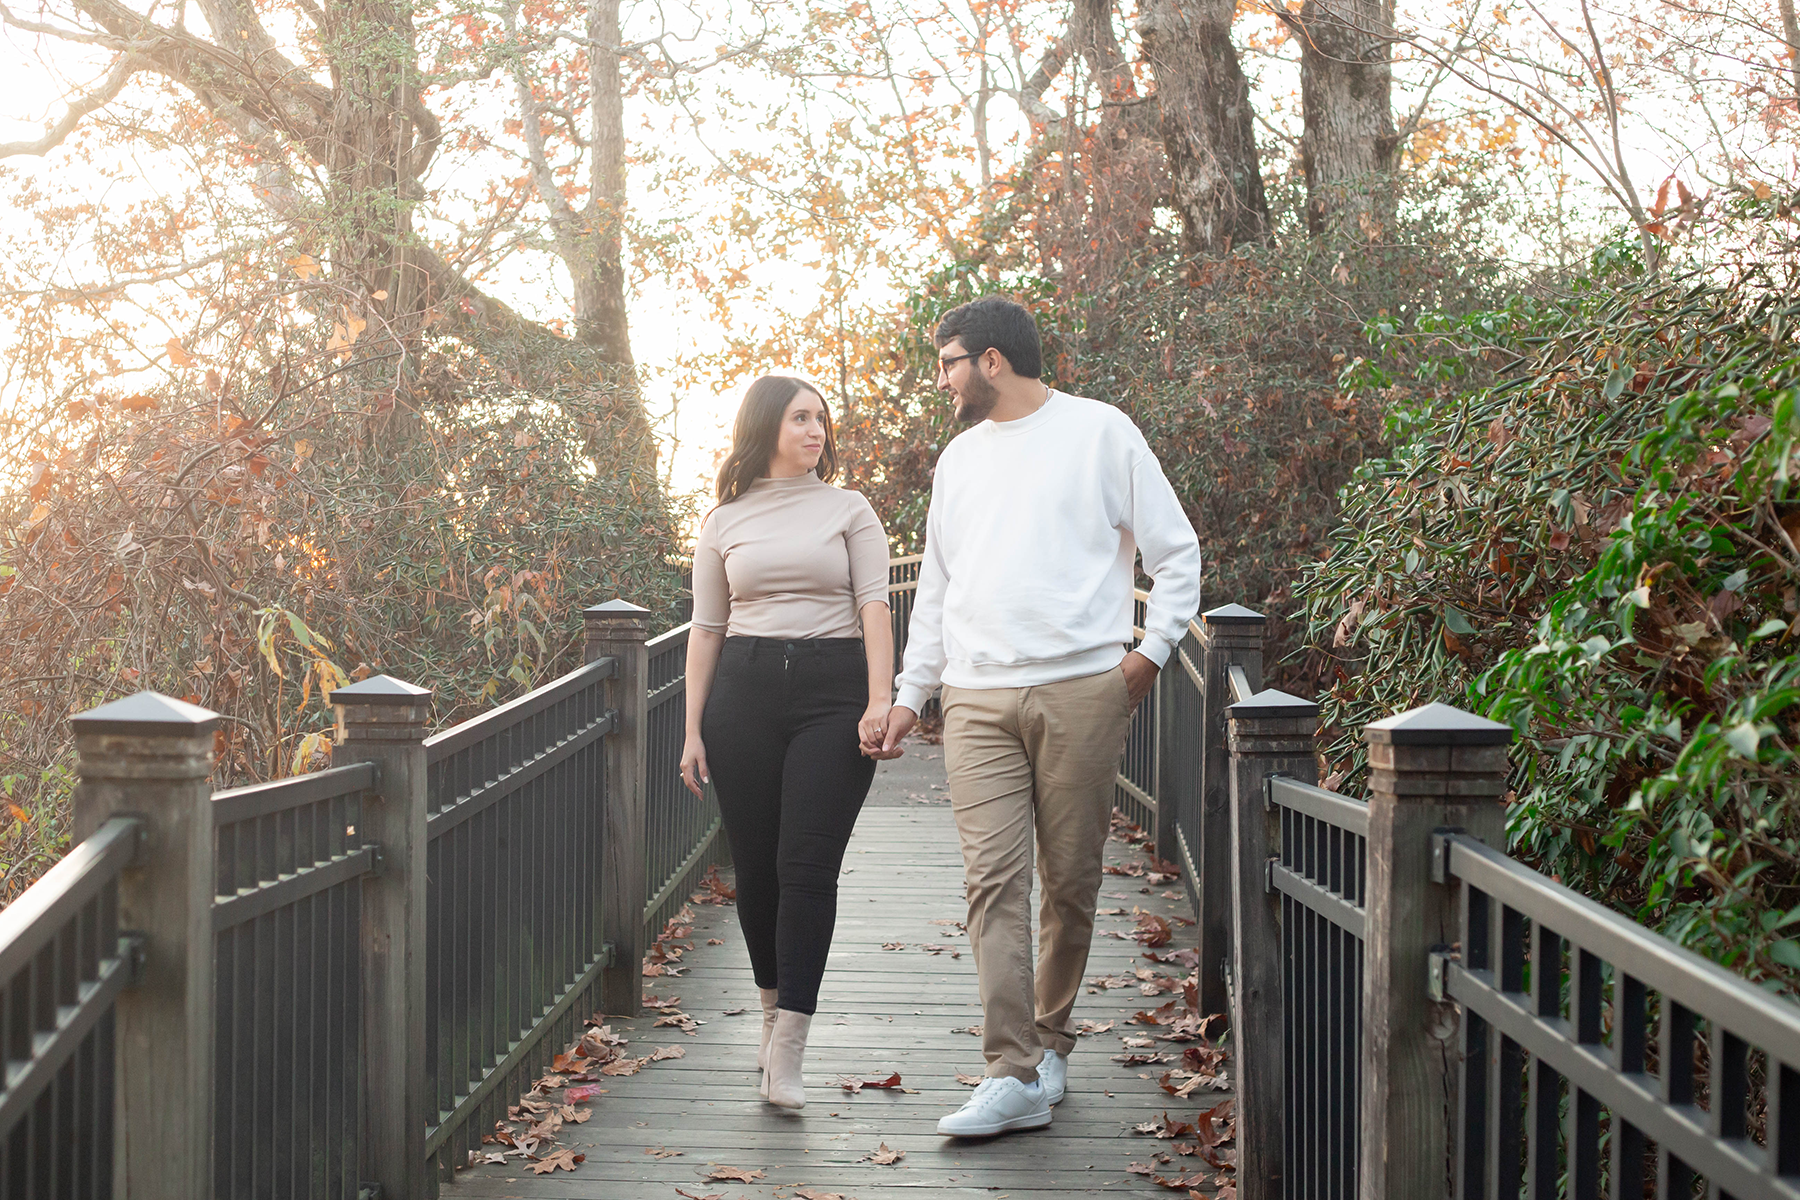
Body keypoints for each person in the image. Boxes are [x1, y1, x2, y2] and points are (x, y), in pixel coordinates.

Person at [874, 296, 1202, 1137]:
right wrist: (914, 695)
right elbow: (938, 589)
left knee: (1071, 882)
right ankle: (1009, 1070)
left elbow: (1176, 552)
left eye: (948, 360)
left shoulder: (1101, 433)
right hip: (976, 700)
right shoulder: (958, 460)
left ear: (990, 360)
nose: (940, 377)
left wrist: (1150, 653)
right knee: (993, 881)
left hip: (1081, 690)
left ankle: (1050, 1045)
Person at [681, 375, 896, 1110]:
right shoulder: (723, 520)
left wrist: (879, 699)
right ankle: (771, 1021)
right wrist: (689, 730)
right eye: (802, 418)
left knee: (807, 866)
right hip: (741, 695)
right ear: (766, 426)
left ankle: (793, 1049)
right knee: (758, 870)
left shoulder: (850, 510)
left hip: (832, 696)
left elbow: (875, 607)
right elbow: (706, 629)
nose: (817, 431)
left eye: (822, 420)